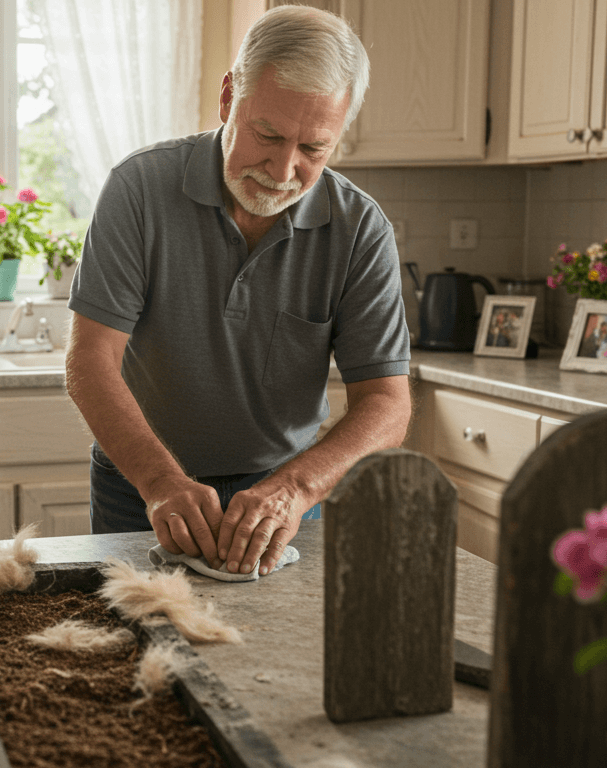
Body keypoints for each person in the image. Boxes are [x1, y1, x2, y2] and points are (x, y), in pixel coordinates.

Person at [65, 6, 411, 579]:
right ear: (229, 99)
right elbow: (89, 360)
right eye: (268, 135)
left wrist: (295, 488)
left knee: (281, 653)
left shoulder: (359, 228)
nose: (283, 170)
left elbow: (387, 402)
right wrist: (160, 482)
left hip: (284, 494)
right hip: (141, 483)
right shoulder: (139, 189)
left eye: (313, 150)